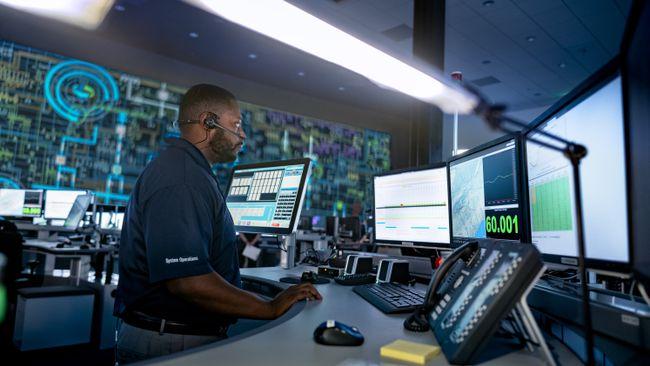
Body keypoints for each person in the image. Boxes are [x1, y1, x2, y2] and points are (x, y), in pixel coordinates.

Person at [114, 84, 322, 364]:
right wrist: (270, 307)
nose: (243, 134)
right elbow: (188, 282)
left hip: (173, 337)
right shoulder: (183, 180)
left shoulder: (188, 170)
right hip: (172, 343)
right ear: (207, 122)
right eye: (236, 124)